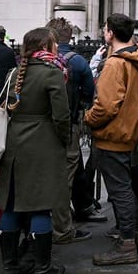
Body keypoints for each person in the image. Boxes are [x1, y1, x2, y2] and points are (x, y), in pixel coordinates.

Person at [0, 27, 71, 274]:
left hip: (14, 144)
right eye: (54, 43)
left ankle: (10, 266)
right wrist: (63, 140)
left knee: (12, 203)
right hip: (43, 144)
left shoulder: (15, 73)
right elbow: (61, 116)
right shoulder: (52, 73)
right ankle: (43, 268)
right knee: (41, 205)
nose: (57, 47)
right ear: (46, 46)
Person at [84, 13, 138, 266]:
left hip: (113, 136)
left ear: (110, 33)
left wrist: (88, 118)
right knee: (130, 187)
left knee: (121, 191)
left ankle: (126, 244)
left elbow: (105, 106)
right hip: (132, 133)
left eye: (105, 28)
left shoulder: (115, 64)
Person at [45, 17, 98, 244]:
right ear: (69, 37)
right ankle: (62, 227)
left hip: (37, 129)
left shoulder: (28, 62)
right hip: (69, 126)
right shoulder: (77, 62)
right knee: (65, 176)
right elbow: (89, 94)